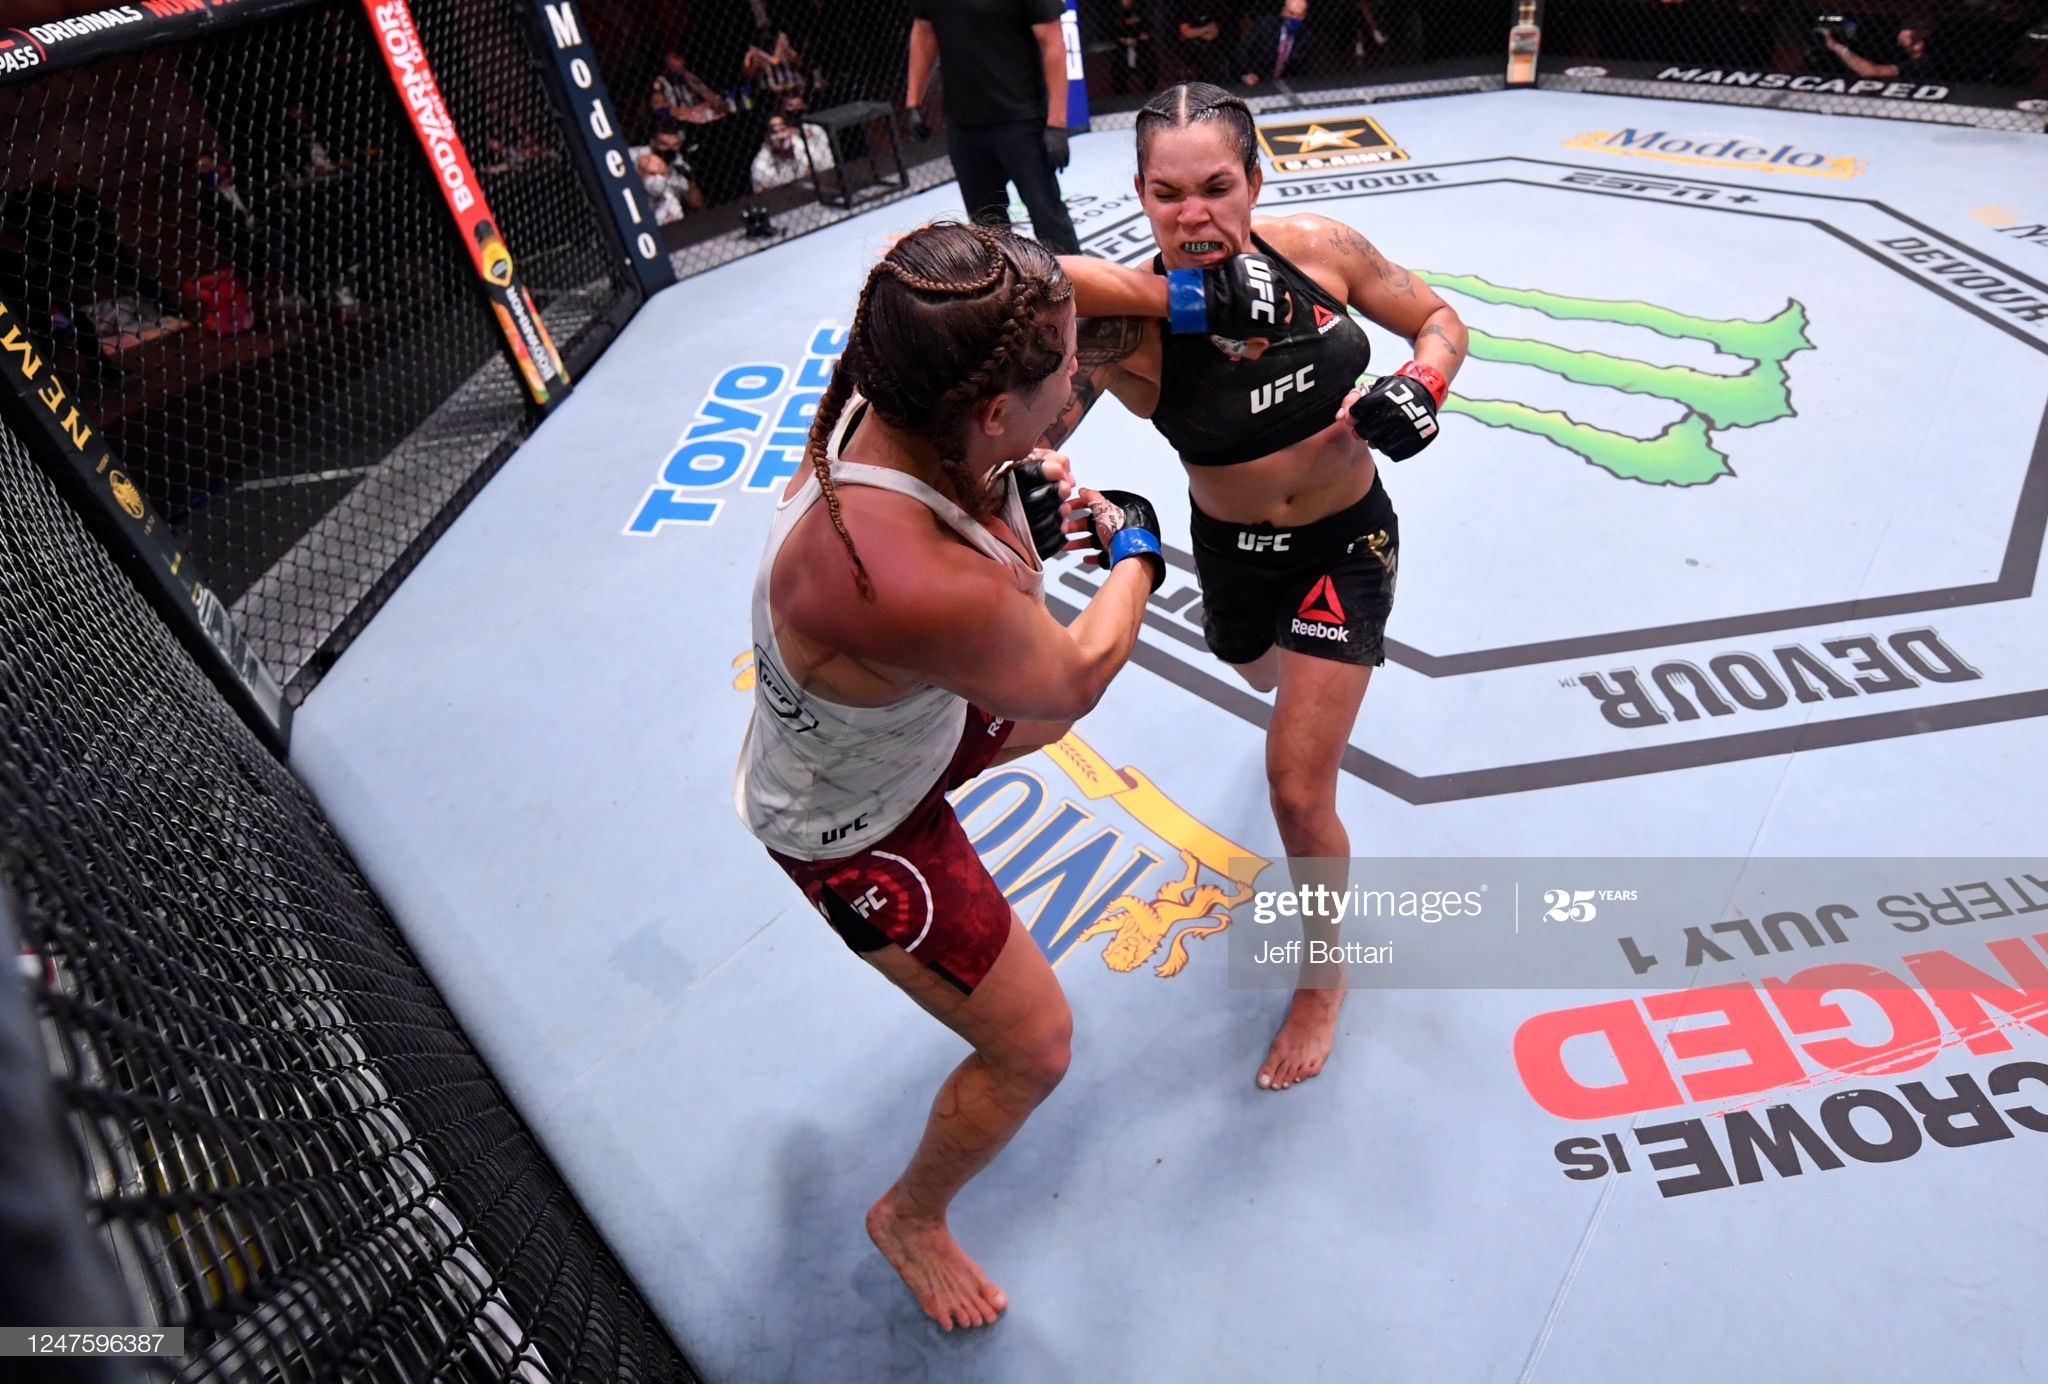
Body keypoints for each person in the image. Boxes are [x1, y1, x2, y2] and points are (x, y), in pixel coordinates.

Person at [735, 222, 1164, 1329]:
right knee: (1035, 1047)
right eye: (1064, 371)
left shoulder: (901, 373)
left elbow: (1012, 294)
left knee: (1030, 717)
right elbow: (1074, 674)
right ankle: (910, 1217)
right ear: (991, 413)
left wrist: (1016, 494)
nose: (1080, 381)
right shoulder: (904, 576)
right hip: (856, 824)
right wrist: (1135, 549)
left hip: (905, 721)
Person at [1049, 83, 1467, 1091]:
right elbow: (1019, 296)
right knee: (1252, 668)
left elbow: (1439, 319)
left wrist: (1424, 382)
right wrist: (1177, 301)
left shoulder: (1320, 250)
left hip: (1345, 540)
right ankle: (1297, 682)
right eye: (1166, 194)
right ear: (1139, 195)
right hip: (1230, 549)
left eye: (1215, 187)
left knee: (1294, 783)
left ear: (1254, 181)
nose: (1192, 215)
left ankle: (1322, 975)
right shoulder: (1127, 324)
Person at [906, 0, 1082, 255]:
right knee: (986, 225)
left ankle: (1073, 279)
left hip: (1020, 119)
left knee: (1048, 217)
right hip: (963, 123)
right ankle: (1003, 280)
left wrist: (1057, 124)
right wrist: (913, 101)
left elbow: (1052, 41)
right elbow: (924, 31)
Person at [1819, 15, 1936, 82]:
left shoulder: (1921, 63)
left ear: (1918, 44)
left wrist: (1837, 47)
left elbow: (1870, 71)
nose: (1899, 43)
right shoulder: (1898, 52)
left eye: (1903, 41)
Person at [749, 114, 837, 192]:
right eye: (774, 133)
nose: (781, 136)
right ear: (767, 138)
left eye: (783, 130)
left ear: (790, 130)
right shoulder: (761, 164)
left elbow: (827, 164)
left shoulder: (803, 145)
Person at [1236, 0, 1308, 86]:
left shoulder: (1305, 36)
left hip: (1283, 82)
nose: (1294, 19)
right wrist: (1246, 74)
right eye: (1291, 13)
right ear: (1283, 11)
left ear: (1304, 16)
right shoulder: (1265, 26)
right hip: (1256, 79)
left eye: (1299, 15)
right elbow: (1242, 50)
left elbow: (1300, 67)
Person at [650, 51, 726, 129]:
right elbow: (658, 108)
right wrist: (686, 111)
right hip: (672, 120)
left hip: (694, 116)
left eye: (680, 63)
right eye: (673, 65)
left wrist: (714, 103)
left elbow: (707, 93)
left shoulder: (687, 76)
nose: (678, 66)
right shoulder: (660, 81)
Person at [1108, 0, 1163, 95]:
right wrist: (1127, 40)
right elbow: (1114, 34)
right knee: (1119, 68)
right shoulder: (1114, 11)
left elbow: (1148, 29)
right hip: (1123, 46)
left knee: (1149, 61)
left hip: (1141, 44)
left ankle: (1150, 88)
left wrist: (1143, 36)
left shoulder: (1141, 8)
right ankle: (1121, 92)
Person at [1174, 0, 1228, 84]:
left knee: (1213, 58)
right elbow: (1186, 33)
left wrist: (1196, 32)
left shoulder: (1210, 6)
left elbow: (1213, 32)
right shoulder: (1183, 8)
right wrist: (1205, 29)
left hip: (1210, 47)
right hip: (1190, 47)